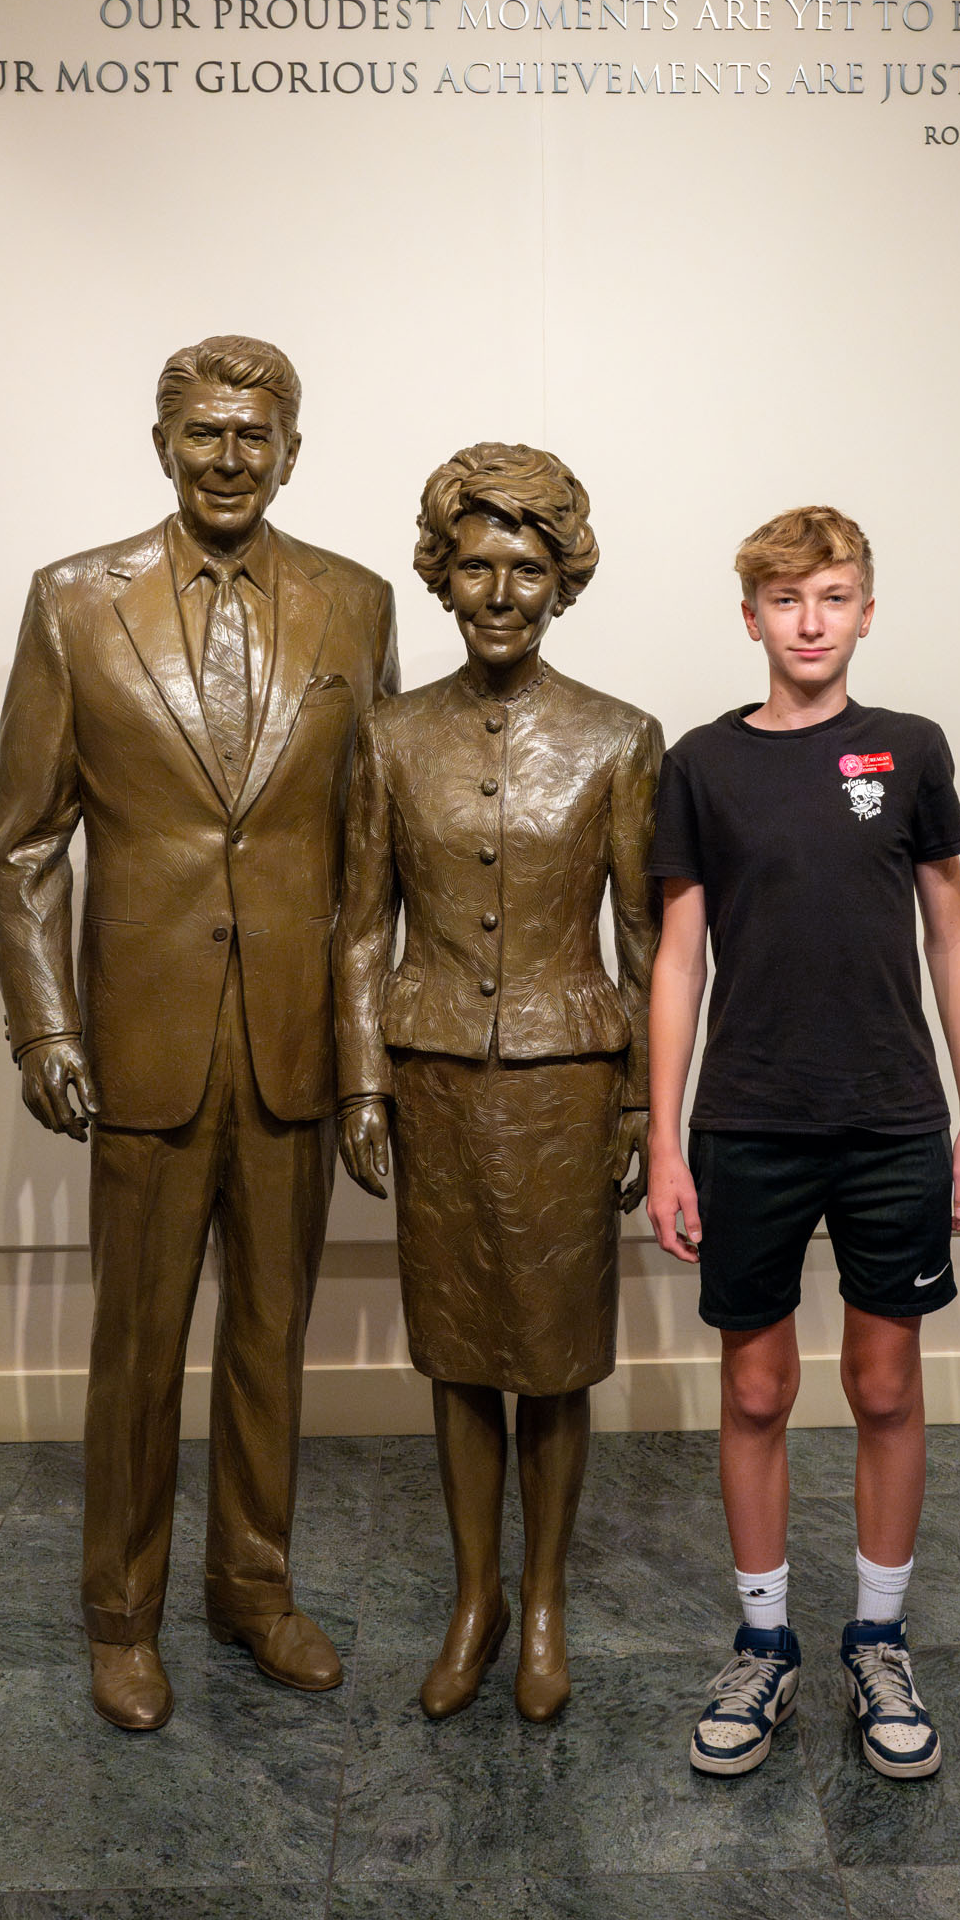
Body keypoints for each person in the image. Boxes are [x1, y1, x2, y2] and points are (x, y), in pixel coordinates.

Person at [0, 335, 398, 1731]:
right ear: (162, 444)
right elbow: (26, 844)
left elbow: (369, 849)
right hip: (141, 1038)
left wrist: (365, 1056)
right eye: (206, 433)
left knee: (272, 1336)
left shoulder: (356, 603)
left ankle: (253, 1590)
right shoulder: (72, 601)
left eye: (253, 435)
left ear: (292, 451)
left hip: (292, 1041)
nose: (230, 457)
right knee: (137, 1346)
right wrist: (45, 1026)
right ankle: (120, 1615)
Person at [645, 504, 960, 1780]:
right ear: (750, 616)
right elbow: (677, 958)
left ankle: (877, 1641)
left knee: (884, 1386)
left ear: (865, 611)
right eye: (786, 599)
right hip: (746, 1119)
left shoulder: (910, 750)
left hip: (892, 1120)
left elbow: (949, 936)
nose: (810, 620)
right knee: (755, 1390)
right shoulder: (700, 763)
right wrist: (666, 1142)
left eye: (833, 596)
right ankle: (762, 1647)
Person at [336, 442, 662, 1724]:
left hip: (567, 1084)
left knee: (557, 1358)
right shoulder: (388, 736)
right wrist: (362, 1084)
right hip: (431, 1082)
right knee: (458, 1353)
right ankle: (473, 1600)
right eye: (474, 567)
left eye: (526, 569)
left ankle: (544, 1604)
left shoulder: (619, 739)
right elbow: (359, 928)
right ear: (442, 576)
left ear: (562, 580)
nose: (500, 593)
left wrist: (643, 1099)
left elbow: (645, 938)